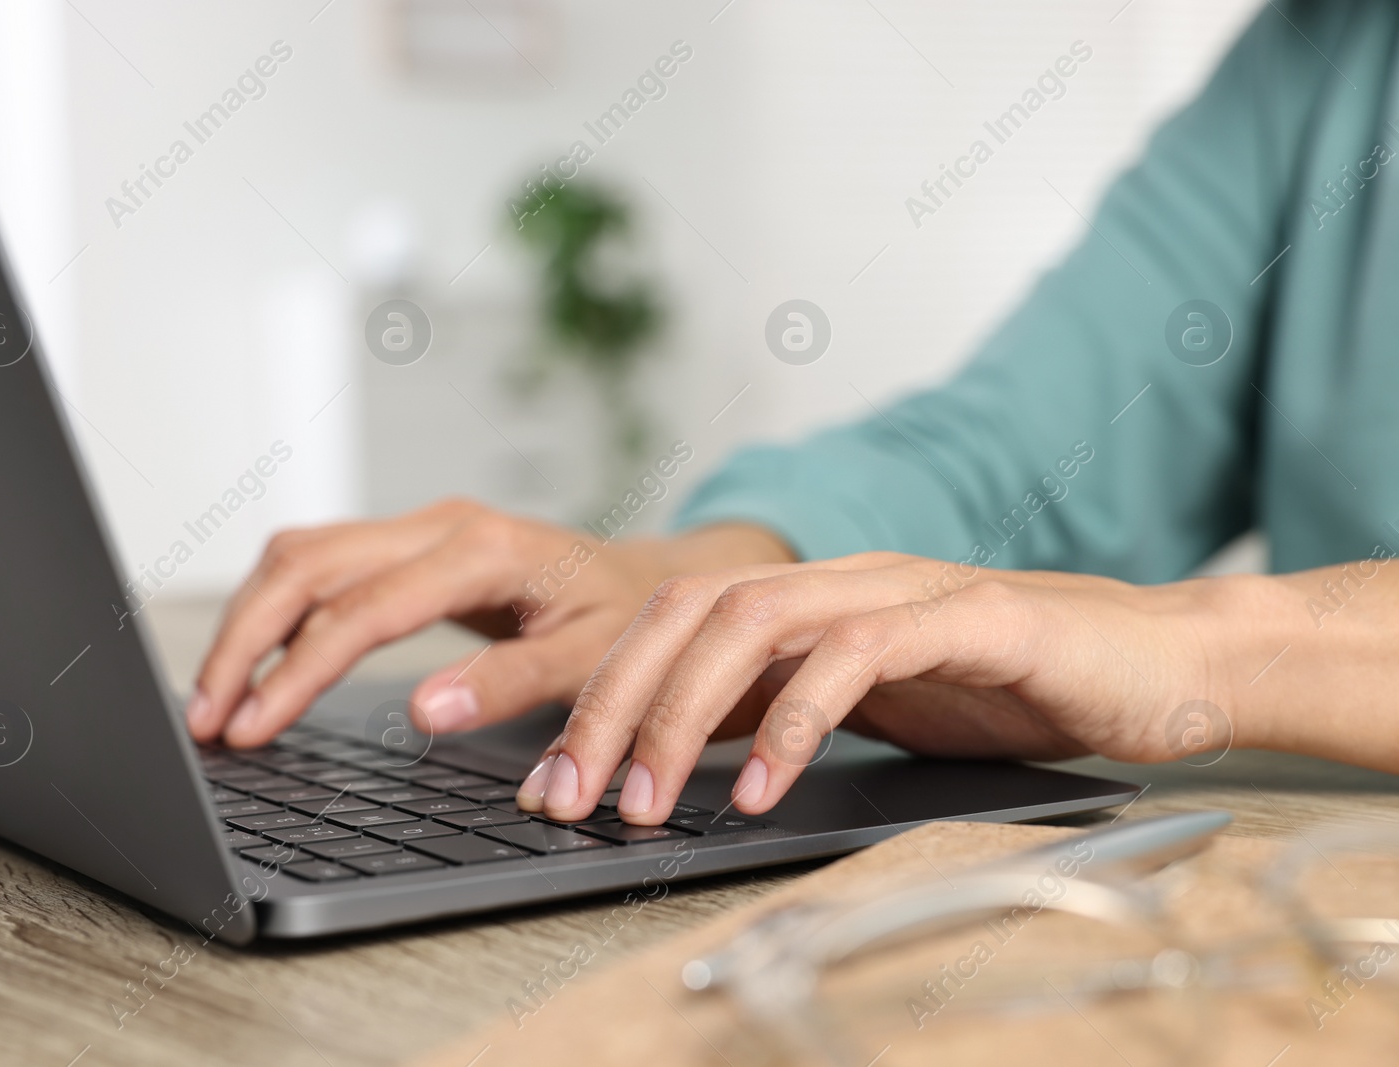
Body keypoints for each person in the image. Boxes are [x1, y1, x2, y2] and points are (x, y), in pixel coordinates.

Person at [187, 0, 1399, 827]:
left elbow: (1163, 632)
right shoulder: (1331, 50)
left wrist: (1208, 645)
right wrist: (721, 575)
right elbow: (1027, 448)